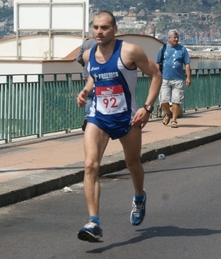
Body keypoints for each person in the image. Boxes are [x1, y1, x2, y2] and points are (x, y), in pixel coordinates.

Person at [76, 11, 162, 242]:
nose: (99, 32)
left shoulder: (130, 51)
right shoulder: (87, 55)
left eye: (104, 28)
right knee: (90, 165)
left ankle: (139, 197)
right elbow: (95, 76)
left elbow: (155, 75)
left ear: (114, 29)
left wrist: (147, 107)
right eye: (95, 28)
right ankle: (94, 222)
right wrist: (86, 91)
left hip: (128, 117)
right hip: (99, 117)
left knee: (133, 164)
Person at [155, 29, 191, 128]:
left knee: (176, 100)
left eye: (177, 37)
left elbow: (187, 64)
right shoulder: (163, 49)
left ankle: (174, 120)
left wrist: (188, 77)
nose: (176, 39)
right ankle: (168, 113)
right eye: (174, 37)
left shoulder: (182, 49)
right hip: (164, 78)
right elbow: (157, 63)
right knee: (163, 100)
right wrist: (156, 77)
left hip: (178, 79)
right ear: (169, 38)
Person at [77, 37, 97, 131]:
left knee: (89, 96)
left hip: (87, 73)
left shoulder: (85, 43)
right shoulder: (99, 42)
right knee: (98, 94)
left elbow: (78, 58)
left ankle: (87, 116)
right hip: (98, 72)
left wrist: (85, 65)